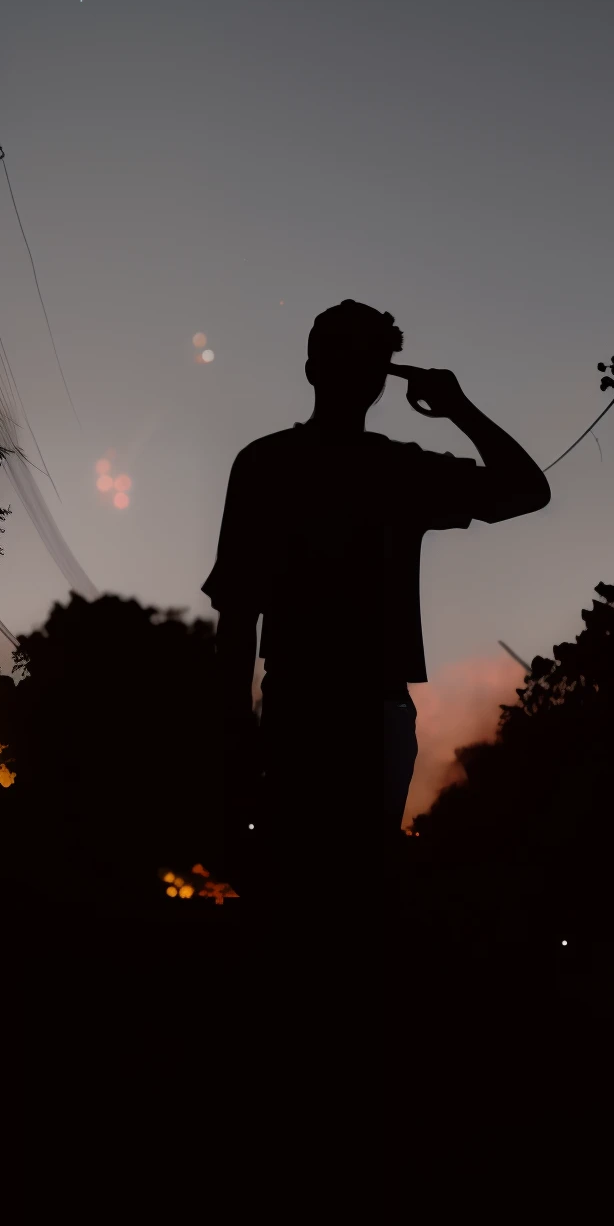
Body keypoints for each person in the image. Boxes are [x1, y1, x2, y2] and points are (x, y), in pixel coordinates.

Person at [201, 300, 550, 936]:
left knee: (296, 896)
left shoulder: (269, 464)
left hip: (308, 709)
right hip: (351, 710)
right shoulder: (395, 470)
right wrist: (459, 406)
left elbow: (237, 621)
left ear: (314, 368)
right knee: (353, 898)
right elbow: (526, 488)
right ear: (379, 380)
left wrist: (235, 736)